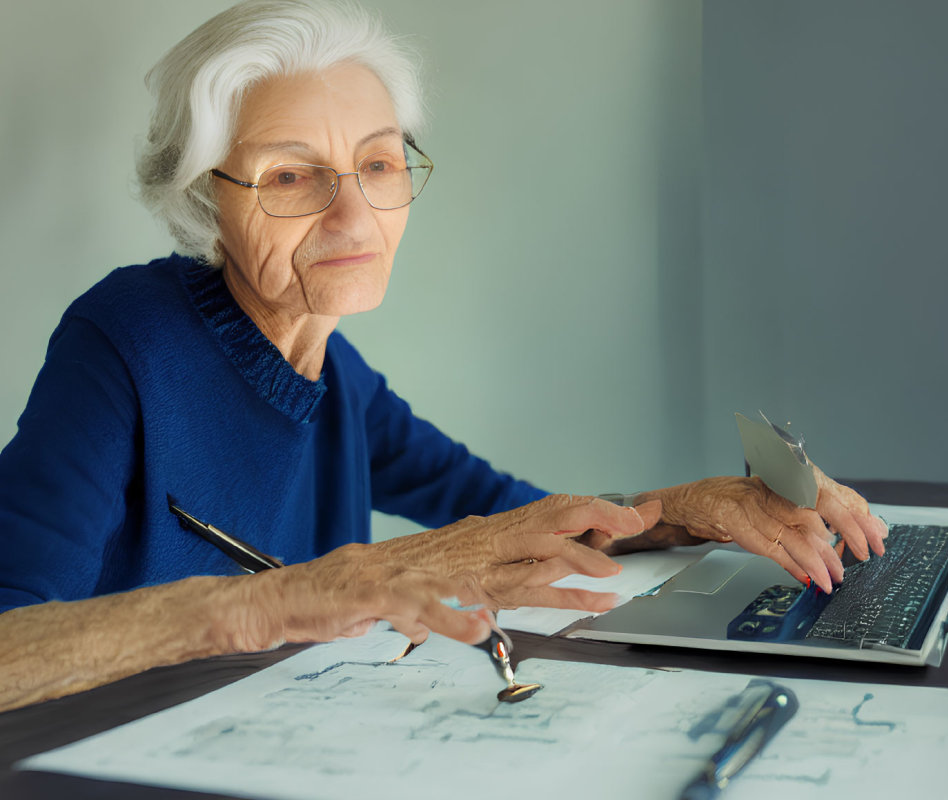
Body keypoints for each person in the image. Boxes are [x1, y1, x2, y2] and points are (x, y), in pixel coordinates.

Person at [0, 0, 886, 714]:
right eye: (289, 175)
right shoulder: (125, 339)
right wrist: (277, 601)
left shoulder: (334, 377)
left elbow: (513, 519)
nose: (354, 219)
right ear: (205, 199)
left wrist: (697, 508)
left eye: (379, 165)